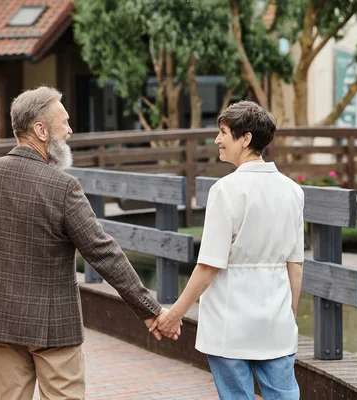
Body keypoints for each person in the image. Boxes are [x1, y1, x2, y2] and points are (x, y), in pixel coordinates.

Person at [0, 86, 178, 400]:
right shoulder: (62, 186)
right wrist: (150, 309)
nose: (70, 131)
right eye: (64, 123)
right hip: (53, 326)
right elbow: (102, 252)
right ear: (41, 130)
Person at [151, 101, 304, 399]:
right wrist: (290, 318)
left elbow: (209, 265)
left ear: (245, 138)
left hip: (229, 322)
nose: (218, 140)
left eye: (223, 133)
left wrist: (174, 315)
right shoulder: (292, 191)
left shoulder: (225, 190)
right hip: (276, 321)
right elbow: (295, 264)